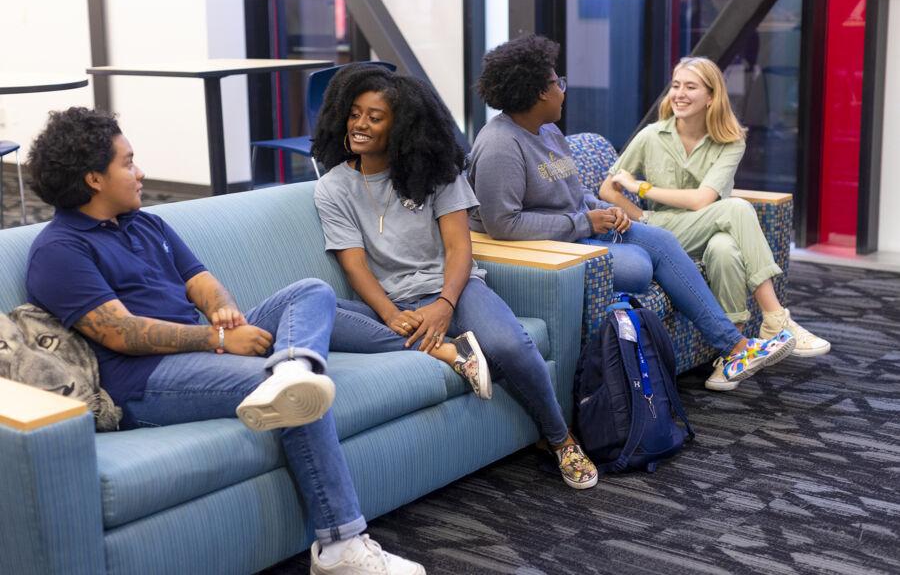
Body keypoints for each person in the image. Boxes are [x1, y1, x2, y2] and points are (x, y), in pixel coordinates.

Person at [25, 107, 425, 575]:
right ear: (94, 179)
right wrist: (216, 337)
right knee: (298, 397)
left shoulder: (143, 223)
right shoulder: (59, 250)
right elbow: (123, 333)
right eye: (128, 163)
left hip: (197, 348)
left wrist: (223, 310)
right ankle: (340, 547)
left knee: (311, 292)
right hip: (142, 380)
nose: (140, 172)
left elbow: (201, 281)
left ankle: (291, 367)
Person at [311, 63, 599, 490]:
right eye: (354, 115)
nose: (360, 125)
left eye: (375, 117)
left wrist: (445, 304)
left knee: (510, 345)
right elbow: (354, 264)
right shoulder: (333, 187)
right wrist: (391, 314)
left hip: (455, 289)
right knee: (313, 306)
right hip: (391, 304)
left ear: (402, 126)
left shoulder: (436, 173)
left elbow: (459, 248)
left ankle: (560, 439)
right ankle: (448, 350)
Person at [467, 34, 795, 391]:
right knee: (638, 267)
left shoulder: (548, 132)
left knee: (662, 241)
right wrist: (583, 222)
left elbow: (576, 193)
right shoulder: (500, 146)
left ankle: (734, 347)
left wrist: (605, 210)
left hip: (577, 230)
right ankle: (736, 345)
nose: (563, 90)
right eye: (557, 82)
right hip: (548, 247)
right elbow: (503, 225)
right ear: (539, 93)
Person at [601, 56, 830, 359]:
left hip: (710, 229)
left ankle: (732, 356)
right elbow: (607, 189)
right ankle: (775, 318)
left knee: (725, 249)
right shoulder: (651, 136)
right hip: (663, 231)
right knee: (737, 208)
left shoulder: (730, 141)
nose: (680, 94)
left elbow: (702, 200)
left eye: (690, 87)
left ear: (711, 96)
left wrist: (642, 188)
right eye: (676, 85)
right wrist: (641, 215)